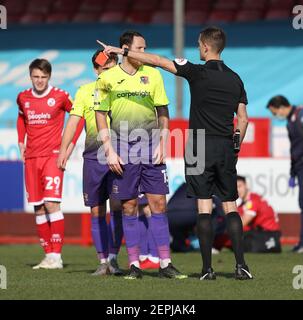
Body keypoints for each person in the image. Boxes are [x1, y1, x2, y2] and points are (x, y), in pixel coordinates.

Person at [99, 26, 253, 280]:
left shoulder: (197, 71)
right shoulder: (236, 78)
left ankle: (207, 270)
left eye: (198, 45)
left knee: (204, 207)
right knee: (230, 206)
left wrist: (122, 51)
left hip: (198, 145)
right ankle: (241, 266)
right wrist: (235, 146)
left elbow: (158, 61)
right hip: (226, 145)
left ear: (204, 46)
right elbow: (243, 120)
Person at [94, 30, 187, 280]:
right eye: (141, 48)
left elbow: (163, 111)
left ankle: (165, 263)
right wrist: (109, 150)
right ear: (126, 48)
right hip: (122, 150)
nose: (144, 53)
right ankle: (134, 265)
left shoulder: (153, 75)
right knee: (129, 206)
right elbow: (100, 114)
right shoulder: (108, 77)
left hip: (150, 148)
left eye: (146, 49)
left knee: (158, 204)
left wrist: (163, 143)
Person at [57, 50, 124, 276]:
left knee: (117, 206)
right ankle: (103, 261)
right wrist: (63, 150)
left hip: (119, 155)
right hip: (94, 157)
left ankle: (114, 259)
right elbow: (73, 122)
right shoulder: (85, 92)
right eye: (103, 69)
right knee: (96, 209)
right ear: (96, 70)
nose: (107, 73)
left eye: (111, 69)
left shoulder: (122, 89)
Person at [17, 59, 84, 269]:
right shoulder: (23, 97)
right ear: (30, 76)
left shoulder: (60, 96)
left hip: (53, 156)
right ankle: (48, 256)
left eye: (43, 77)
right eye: (36, 77)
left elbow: (79, 117)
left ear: (49, 77)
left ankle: (57, 255)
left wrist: (69, 146)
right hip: (31, 159)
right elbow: (21, 119)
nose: (39, 81)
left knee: (51, 204)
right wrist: (21, 142)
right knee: (37, 207)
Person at [267, 95, 303, 253]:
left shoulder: (300, 116)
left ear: (281, 107)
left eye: (275, 112)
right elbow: (294, 150)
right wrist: (293, 172)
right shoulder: (291, 122)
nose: (276, 116)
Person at [167, 183, 225, 253]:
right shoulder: (207, 185)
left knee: (179, 233)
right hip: (189, 213)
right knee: (214, 214)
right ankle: (206, 246)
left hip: (169, 216)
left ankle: (179, 246)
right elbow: (219, 208)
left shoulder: (185, 184)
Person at [236, 175, 281, 253]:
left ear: (246, 185)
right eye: (235, 188)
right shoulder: (242, 205)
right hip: (261, 232)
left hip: (269, 234)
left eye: (240, 186)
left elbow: (242, 223)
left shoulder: (253, 199)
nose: (238, 190)